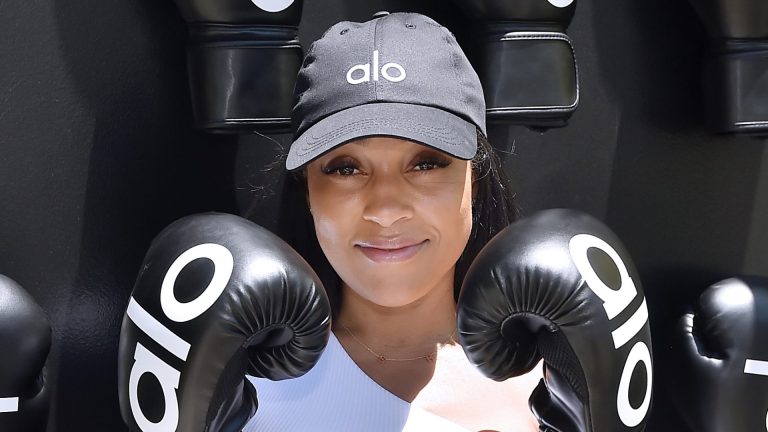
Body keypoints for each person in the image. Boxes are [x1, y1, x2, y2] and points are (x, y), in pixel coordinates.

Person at [243, 11, 543, 432]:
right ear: (307, 190)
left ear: (474, 178)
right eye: (346, 168)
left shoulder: (553, 381)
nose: (385, 209)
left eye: (425, 163)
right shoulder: (247, 388)